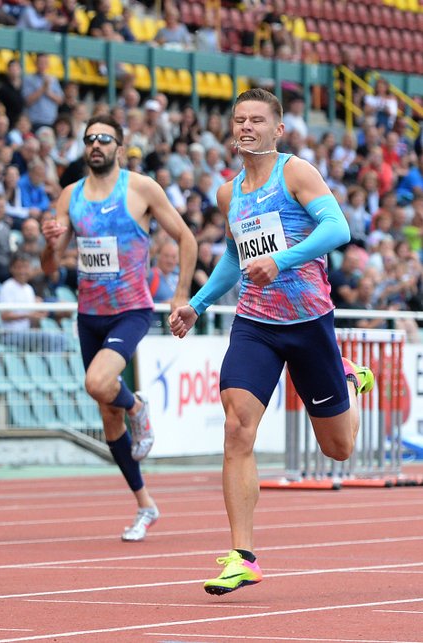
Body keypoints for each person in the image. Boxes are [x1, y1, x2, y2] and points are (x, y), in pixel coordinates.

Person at [169, 88, 375, 595]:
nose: (246, 127)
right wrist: (197, 304)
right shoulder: (227, 192)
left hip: (308, 323)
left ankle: (347, 379)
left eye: (257, 120)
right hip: (255, 324)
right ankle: (243, 556)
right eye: (239, 119)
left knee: (338, 448)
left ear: (277, 129)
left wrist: (281, 261)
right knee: (238, 428)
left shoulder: (296, 172)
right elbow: (235, 259)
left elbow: (338, 228)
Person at [41, 113, 197, 542]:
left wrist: (180, 294)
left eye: (104, 139)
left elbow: (187, 238)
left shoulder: (141, 188)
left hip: (130, 309)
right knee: (107, 417)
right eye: (89, 138)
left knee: (98, 382)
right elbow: (49, 265)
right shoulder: (70, 196)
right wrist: (49, 242)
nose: (96, 145)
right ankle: (145, 504)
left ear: (120, 145)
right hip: (88, 314)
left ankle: (137, 407)